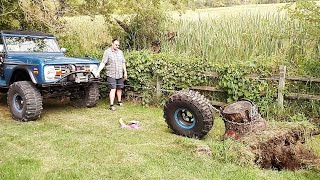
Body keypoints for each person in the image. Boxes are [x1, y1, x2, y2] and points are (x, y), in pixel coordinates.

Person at [95, 38, 127, 111]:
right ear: (112, 44)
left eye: (118, 45)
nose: (117, 46)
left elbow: (123, 62)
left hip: (119, 74)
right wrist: (98, 71)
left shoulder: (120, 52)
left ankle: (119, 101)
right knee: (113, 89)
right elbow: (103, 63)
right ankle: (111, 105)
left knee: (119, 88)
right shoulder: (107, 52)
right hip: (111, 74)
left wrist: (125, 72)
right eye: (116, 45)